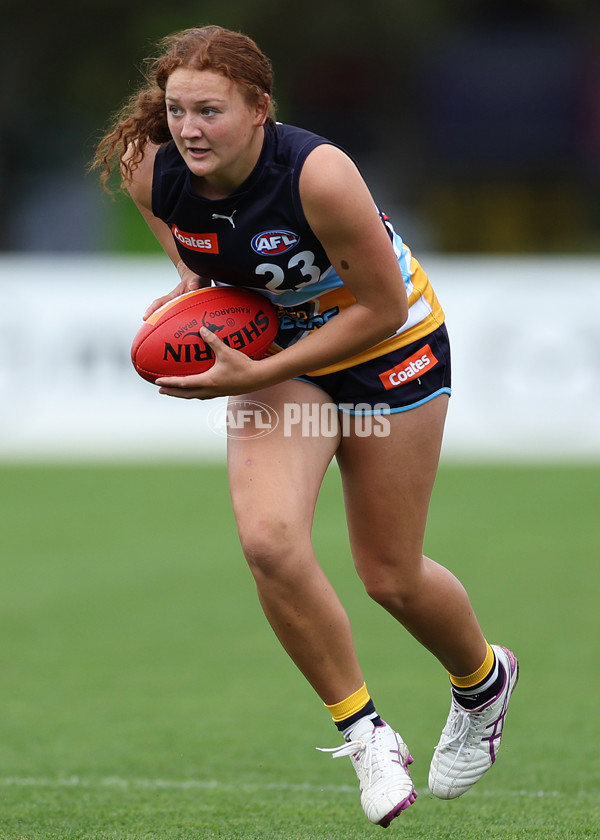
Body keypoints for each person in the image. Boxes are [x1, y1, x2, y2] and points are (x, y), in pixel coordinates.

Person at [92, 25, 518, 827]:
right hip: (279, 350)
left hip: (388, 345)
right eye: (177, 109)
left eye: (209, 110)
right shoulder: (151, 168)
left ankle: (483, 683)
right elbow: (178, 236)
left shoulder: (318, 176)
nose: (187, 128)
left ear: (260, 109)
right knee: (268, 541)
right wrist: (190, 281)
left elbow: (382, 306)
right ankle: (364, 734)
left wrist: (257, 372)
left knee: (389, 574)